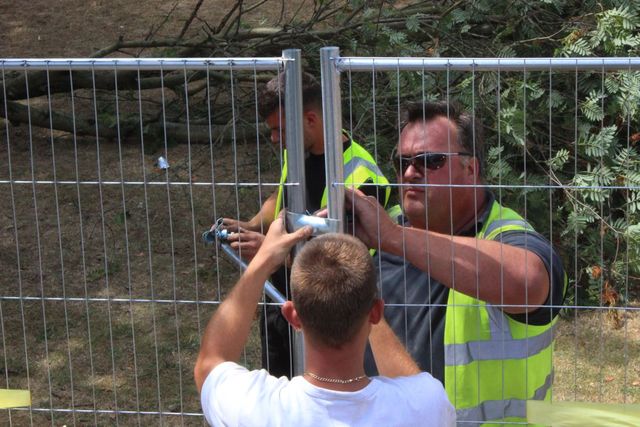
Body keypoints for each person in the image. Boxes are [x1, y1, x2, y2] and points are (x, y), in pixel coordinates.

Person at [345, 101, 567, 425]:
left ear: (471, 168)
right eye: (402, 161)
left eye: (429, 161)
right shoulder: (384, 230)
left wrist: (392, 237)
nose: (409, 173)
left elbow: (529, 283)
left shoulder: (503, 233)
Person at [194, 220, 456, 426]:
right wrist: (364, 300)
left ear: (292, 316)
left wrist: (264, 259)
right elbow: (414, 386)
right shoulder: (425, 406)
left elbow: (210, 363)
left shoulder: (258, 409)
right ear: (376, 313)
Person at [215, 72, 390, 378]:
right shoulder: (297, 153)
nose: (273, 139)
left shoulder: (363, 178)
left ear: (310, 120)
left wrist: (271, 252)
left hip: (329, 319)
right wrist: (253, 227)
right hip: (283, 302)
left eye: (279, 130)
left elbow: (337, 260)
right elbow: (279, 198)